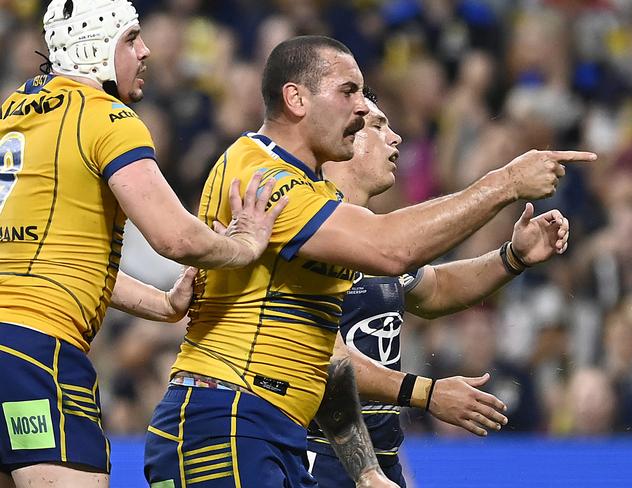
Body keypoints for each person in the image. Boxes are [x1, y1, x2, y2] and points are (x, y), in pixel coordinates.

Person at [144, 35, 595, 488]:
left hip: (272, 429)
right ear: (296, 98)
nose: (362, 109)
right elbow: (393, 249)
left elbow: (330, 359)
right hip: (226, 416)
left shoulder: (320, 204)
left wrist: (366, 470)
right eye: (349, 91)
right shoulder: (260, 172)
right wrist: (506, 181)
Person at [0, 1, 285, 487]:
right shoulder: (107, 117)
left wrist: (165, 303)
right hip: (37, 352)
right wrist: (246, 244)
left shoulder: (12, 114)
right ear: (95, 48)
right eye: (131, 39)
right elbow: (174, 236)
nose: (146, 50)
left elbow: (61, 261)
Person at [306, 87, 571, 487]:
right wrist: (426, 393)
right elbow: (326, 358)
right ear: (343, 137)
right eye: (378, 126)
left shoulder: (371, 239)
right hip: (309, 455)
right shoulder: (309, 229)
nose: (395, 138)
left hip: (379, 459)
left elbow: (436, 289)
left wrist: (511, 257)